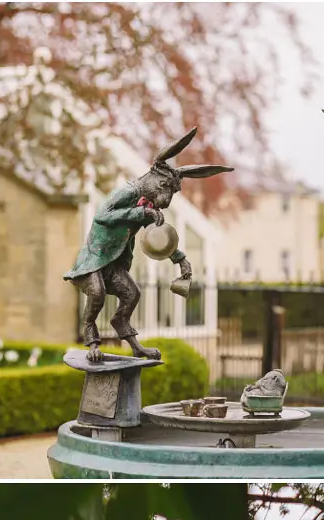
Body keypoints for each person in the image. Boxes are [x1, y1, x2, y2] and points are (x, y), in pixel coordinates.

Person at [65, 128, 231, 365]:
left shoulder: (149, 207)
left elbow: (159, 240)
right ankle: (92, 343)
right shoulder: (129, 191)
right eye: (164, 187)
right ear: (153, 176)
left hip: (113, 263)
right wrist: (142, 211)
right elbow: (102, 215)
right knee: (97, 293)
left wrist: (180, 259)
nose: (164, 199)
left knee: (132, 293)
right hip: (93, 260)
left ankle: (133, 344)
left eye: (170, 192)